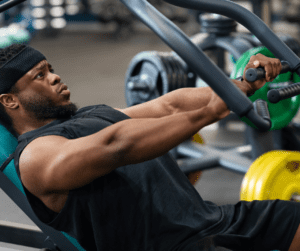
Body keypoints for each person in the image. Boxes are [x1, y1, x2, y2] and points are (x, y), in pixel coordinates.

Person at [0, 43, 299, 251]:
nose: (55, 76)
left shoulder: (87, 115)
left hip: (215, 222)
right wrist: (209, 112)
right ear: (9, 100)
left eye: (50, 68)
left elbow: (169, 106)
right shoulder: (35, 156)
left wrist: (239, 86)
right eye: (39, 75)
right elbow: (117, 145)